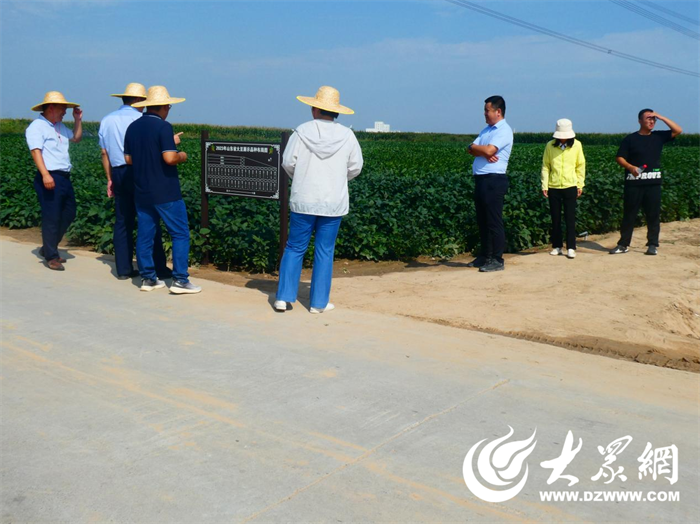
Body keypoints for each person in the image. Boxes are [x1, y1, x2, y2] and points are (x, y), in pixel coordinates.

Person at [274, 86, 363, 313]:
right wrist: (337, 180)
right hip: (333, 202)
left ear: (314, 109)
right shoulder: (347, 135)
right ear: (336, 112)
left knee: (294, 247)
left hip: (303, 199)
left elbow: (287, 163)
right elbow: (355, 167)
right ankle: (318, 303)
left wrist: (302, 178)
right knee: (325, 250)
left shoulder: (301, 132)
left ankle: (283, 298)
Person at [123, 85, 201, 294]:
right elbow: (169, 157)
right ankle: (180, 280)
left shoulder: (133, 127)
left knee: (146, 235)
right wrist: (182, 154)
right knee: (180, 233)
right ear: (165, 106)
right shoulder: (164, 128)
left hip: (142, 190)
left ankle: (148, 278)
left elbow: (128, 159)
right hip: (165, 190)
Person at [98, 83, 171, 280]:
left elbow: (104, 152)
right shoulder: (143, 120)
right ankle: (158, 267)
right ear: (139, 101)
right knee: (149, 219)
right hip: (140, 171)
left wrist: (109, 178)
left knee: (123, 221)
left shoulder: (107, 120)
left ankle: (123, 269)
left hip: (118, 172)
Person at [610, 109, 682, 256]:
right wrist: (630, 167)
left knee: (653, 215)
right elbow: (619, 157)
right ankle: (623, 244)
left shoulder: (658, 136)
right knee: (629, 215)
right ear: (640, 121)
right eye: (648, 119)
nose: (652, 121)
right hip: (634, 183)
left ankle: (652, 244)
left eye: (653, 119)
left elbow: (678, 130)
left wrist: (661, 116)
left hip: (653, 183)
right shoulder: (630, 139)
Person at [25, 91, 83, 271]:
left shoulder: (59, 126)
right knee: (52, 217)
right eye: (62, 108)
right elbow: (36, 151)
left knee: (69, 212)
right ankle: (51, 256)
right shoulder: (37, 126)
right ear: (51, 107)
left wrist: (78, 120)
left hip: (64, 177)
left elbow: (76, 138)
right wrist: (45, 174)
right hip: (49, 176)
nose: (65, 111)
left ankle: (48, 247)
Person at [466, 95, 513, 272]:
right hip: (481, 179)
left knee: (494, 221)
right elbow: (470, 148)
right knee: (483, 220)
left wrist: (481, 150)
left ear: (498, 111)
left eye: (487, 110)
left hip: (494, 180)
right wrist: (478, 150)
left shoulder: (504, 130)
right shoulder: (486, 130)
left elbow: (489, 150)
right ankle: (485, 255)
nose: (484, 114)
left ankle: (497, 259)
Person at [541, 119, 586, 259]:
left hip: (570, 186)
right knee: (555, 218)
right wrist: (545, 184)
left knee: (570, 217)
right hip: (553, 186)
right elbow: (545, 166)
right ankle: (557, 246)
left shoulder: (577, 145)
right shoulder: (550, 145)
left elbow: (580, 166)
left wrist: (580, 184)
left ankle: (571, 247)